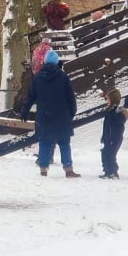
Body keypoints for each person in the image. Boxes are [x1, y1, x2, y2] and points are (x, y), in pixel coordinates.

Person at [20, 49, 80, 178]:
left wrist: (24, 112)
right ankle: (68, 169)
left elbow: (30, 97)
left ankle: (43, 169)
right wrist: (71, 113)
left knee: (44, 143)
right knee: (64, 143)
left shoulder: (37, 78)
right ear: (56, 62)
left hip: (44, 116)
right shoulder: (63, 77)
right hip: (62, 116)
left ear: (45, 62)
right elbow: (71, 97)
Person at [99, 88, 128, 179]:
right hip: (108, 138)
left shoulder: (116, 112)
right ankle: (110, 171)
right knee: (106, 153)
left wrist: (111, 138)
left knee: (110, 155)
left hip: (114, 138)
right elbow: (107, 126)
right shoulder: (110, 111)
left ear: (113, 100)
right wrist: (104, 136)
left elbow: (120, 123)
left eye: (107, 99)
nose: (106, 101)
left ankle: (111, 172)